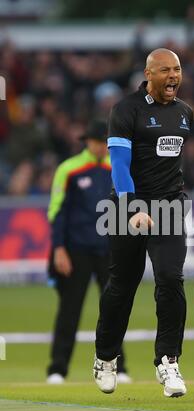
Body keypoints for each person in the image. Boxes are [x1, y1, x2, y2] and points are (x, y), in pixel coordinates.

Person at [94, 49, 193, 397]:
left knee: (170, 278)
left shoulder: (185, 113)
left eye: (177, 69)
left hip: (169, 209)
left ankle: (168, 362)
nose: (173, 76)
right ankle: (105, 358)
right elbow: (119, 165)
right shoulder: (126, 110)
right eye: (165, 70)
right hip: (126, 207)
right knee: (123, 285)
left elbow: (171, 164)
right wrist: (133, 206)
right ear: (148, 74)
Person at [47, 120, 131, 385]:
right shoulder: (69, 169)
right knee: (69, 311)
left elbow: (127, 208)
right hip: (77, 251)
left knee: (114, 310)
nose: (101, 147)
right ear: (87, 141)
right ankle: (57, 369)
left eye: (104, 142)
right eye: (97, 142)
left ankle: (120, 367)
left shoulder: (116, 168)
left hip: (109, 250)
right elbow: (57, 212)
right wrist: (59, 249)